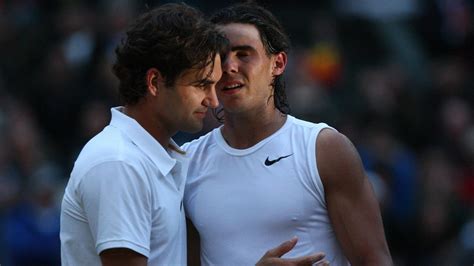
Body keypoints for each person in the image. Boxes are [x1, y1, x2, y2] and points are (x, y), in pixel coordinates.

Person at [183, 2, 393, 265]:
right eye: (220, 56)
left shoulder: (324, 149)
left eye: (244, 54)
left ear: (278, 63)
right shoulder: (186, 163)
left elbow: (374, 260)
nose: (229, 66)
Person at [59, 3, 227, 265]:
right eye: (201, 84)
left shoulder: (148, 156)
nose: (213, 101)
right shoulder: (120, 163)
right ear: (154, 82)